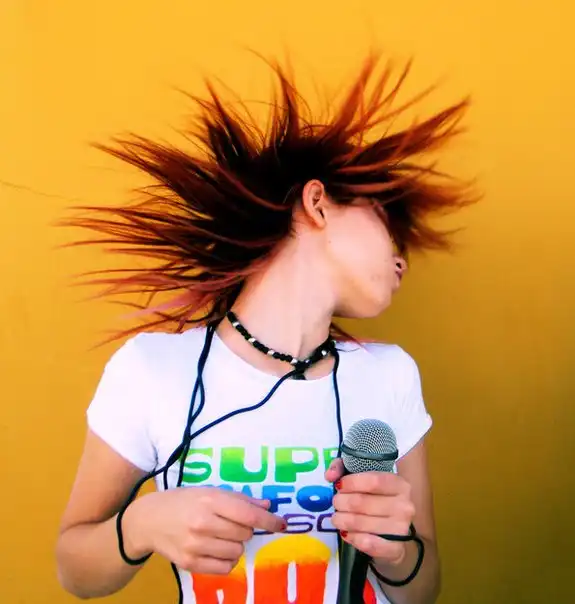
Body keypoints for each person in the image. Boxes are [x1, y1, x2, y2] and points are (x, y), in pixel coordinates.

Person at [56, 53, 473, 604]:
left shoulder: (389, 375)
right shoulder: (152, 371)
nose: (401, 261)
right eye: (389, 227)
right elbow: (75, 570)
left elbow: (421, 590)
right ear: (318, 204)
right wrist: (141, 525)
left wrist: (396, 550)